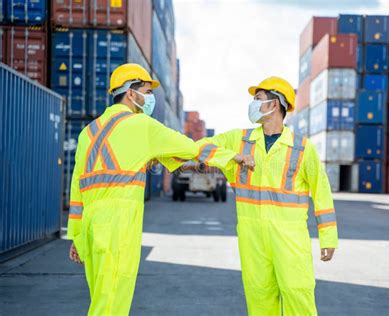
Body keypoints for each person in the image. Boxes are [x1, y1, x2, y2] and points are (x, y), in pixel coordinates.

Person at [66, 63, 254, 315]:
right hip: (117, 225)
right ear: (131, 93)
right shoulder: (142, 125)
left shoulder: (88, 132)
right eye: (147, 90)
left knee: (101, 297)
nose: (150, 97)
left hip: (90, 225)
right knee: (112, 304)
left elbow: (77, 190)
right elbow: (191, 148)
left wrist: (76, 237)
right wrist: (233, 157)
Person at [195, 76, 338, 315]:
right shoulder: (239, 141)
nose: (253, 104)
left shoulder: (302, 148)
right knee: (259, 297)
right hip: (253, 237)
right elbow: (200, 148)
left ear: (275, 104)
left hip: (290, 238)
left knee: (298, 293)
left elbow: (321, 193)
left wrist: (329, 238)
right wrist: (232, 157)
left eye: (258, 99)